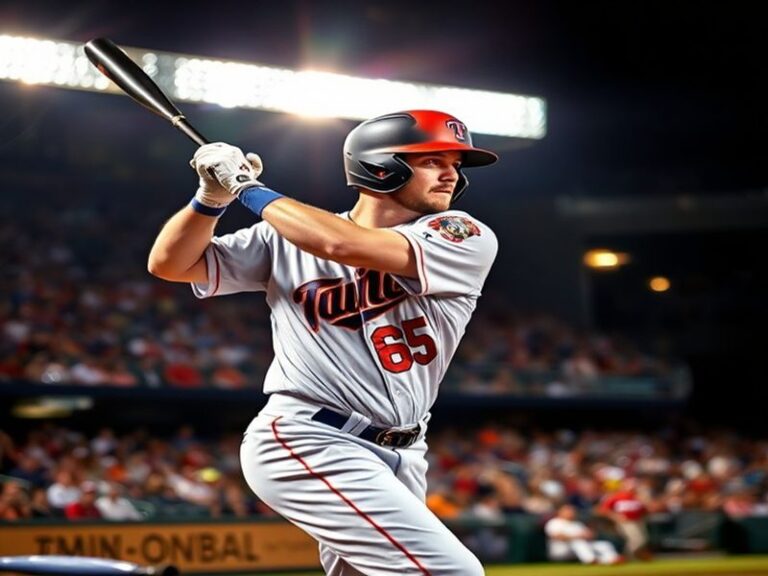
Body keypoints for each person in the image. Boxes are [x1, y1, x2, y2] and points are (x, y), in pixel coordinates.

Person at [148, 110, 498, 575]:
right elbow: (171, 264)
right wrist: (210, 199)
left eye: (455, 163)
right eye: (432, 160)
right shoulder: (283, 237)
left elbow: (341, 245)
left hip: (404, 451)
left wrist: (246, 187)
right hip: (308, 437)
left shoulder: (462, 236)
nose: (452, 173)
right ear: (380, 166)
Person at [544, 504, 623, 565]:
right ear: (560, 512)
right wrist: (578, 536)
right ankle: (590, 560)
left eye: (572, 511)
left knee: (604, 544)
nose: (571, 512)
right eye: (567, 510)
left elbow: (590, 535)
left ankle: (612, 559)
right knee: (577, 542)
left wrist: (588, 535)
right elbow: (558, 536)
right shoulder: (554, 522)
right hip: (561, 550)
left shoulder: (577, 523)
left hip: (578, 549)